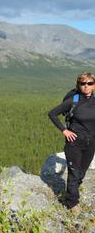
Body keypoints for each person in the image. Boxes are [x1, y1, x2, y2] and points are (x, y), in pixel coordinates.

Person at [48, 71, 95, 215]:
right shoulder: (73, 101)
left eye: (89, 83)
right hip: (74, 143)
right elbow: (53, 114)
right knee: (74, 173)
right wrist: (65, 131)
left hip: (91, 143)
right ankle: (73, 204)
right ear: (78, 85)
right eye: (83, 83)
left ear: (94, 85)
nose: (86, 86)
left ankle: (69, 194)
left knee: (81, 172)